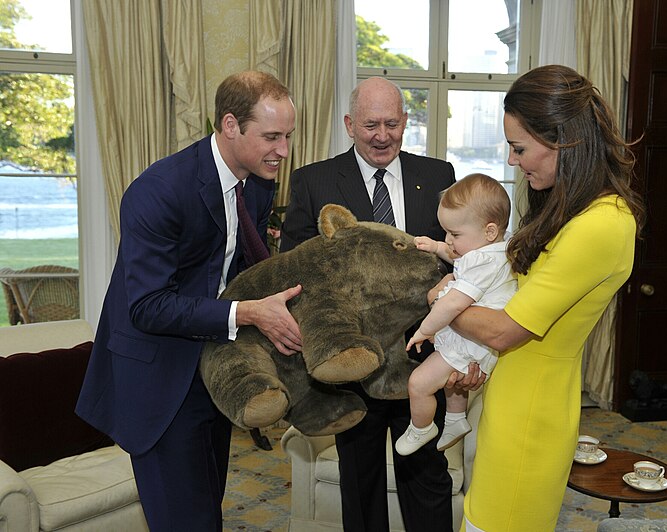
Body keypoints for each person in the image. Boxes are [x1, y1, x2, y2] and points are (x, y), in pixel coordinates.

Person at [76, 71, 303, 531]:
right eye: (272, 136)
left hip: (209, 371)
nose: (283, 150)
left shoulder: (257, 183)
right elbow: (148, 305)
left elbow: (234, 269)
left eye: (288, 136)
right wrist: (248, 313)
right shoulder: (158, 191)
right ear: (230, 125)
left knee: (207, 512)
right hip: (158, 381)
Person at [441, 65, 646, 531]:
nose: (512, 161)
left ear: (564, 140)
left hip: (529, 418)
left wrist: (442, 300)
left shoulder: (602, 223)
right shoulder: (572, 211)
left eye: (519, 148)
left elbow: (504, 329)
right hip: (507, 399)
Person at [280, 76, 456, 532]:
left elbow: (461, 262)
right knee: (360, 481)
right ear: (349, 124)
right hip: (353, 362)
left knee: (427, 475)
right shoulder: (314, 181)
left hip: (422, 356)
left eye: (392, 123)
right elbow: (297, 272)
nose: (382, 135)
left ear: (405, 122)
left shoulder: (438, 176)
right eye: (371, 124)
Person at [396, 174, 516, 456]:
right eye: (446, 233)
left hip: (473, 340)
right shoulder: (495, 250)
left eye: (455, 235)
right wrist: (439, 248)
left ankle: (421, 427)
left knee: (419, 383)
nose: (448, 240)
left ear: (488, 231)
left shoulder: (482, 260)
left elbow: (451, 305)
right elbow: (462, 260)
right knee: (453, 383)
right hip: (478, 341)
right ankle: (455, 419)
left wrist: (425, 329)